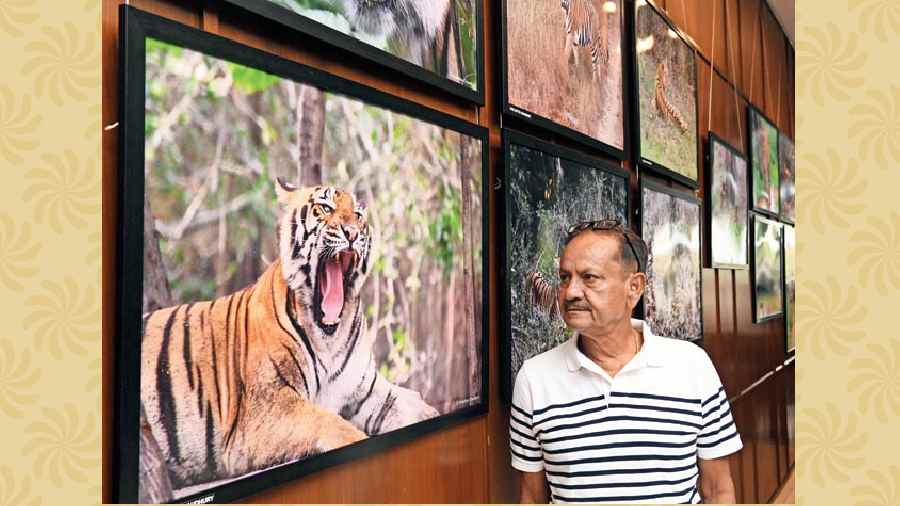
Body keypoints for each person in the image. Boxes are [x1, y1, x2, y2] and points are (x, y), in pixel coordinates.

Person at [510, 220, 741, 504]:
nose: (570, 292)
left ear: (634, 287)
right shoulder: (534, 378)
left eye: (589, 277)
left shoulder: (692, 366)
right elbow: (531, 497)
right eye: (565, 277)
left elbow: (718, 489)